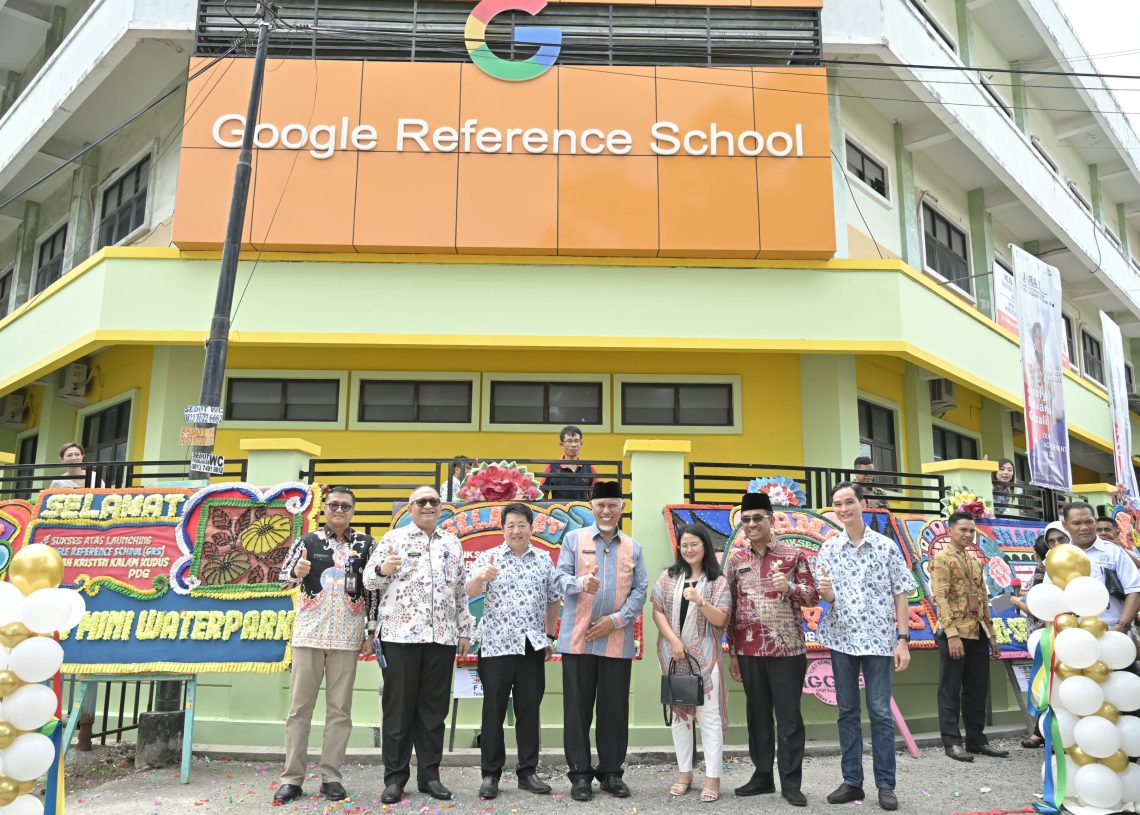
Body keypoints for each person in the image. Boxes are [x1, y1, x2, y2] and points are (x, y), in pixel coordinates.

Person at [364, 486, 475, 804]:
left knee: (433, 711)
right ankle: (395, 779)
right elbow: (369, 582)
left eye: (434, 502)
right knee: (398, 711)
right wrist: (383, 569)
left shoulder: (452, 543)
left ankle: (430, 776)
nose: (428, 506)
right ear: (411, 508)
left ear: (440, 508)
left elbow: (459, 592)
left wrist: (464, 631)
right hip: (401, 638)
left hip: (442, 638)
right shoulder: (394, 539)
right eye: (421, 501)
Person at [816, 481, 916, 812]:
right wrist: (827, 592)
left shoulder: (885, 546)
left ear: (862, 503)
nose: (843, 509)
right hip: (842, 640)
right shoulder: (829, 549)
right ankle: (851, 782)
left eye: (848, 502)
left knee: (880, 713)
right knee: (847, 712)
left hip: (878, 642)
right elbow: (827, 598)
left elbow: (901, 592)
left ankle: (886, 784)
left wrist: (903, 639)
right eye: (837, 504)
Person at [274, 488, 378, 804]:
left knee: (340, 712)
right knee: (298, 710)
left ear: (353, 510)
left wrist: (370, 632)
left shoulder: (366, 544)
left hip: (347, 639)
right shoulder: (307, 542)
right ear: (324, 509)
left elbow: (373, 589)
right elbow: (282, 579)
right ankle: (292, 778)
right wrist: (297, 571)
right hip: (308, 636)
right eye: (334, 505)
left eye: (346, 506)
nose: (339, 510)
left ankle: (331, 776)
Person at [553, 481, 648, 801]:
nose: (606, 511)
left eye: (612, 505)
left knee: (614, 710)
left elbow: (640, 590)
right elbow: (559, 579)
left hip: (615, 640)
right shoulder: (573, 540)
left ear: (622, 508)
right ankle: (580, 775)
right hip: (578, 640)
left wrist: (615, 621)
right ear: (592, 509)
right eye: (600, 506)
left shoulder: (633, 547)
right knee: (577, 711)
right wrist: (581, 583)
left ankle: (611, 773)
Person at [724, 492, 818, 807]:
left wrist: (790, 588)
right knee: (757, 716)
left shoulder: (793, 554)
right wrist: (733, 651)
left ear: (771, 519)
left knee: (789, 718)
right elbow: (730, 607)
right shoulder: (736, 560)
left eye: (756, 518)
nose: (750, 524)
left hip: (787, 651)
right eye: (745, 519)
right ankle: (762, 776)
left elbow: (812, 595)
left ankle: (791, 783)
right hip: (749, 651)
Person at [466, 503, 562, 799]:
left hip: (531, 646)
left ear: (531, 528)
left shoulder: (544, 559)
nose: (516, 530)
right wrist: (482, 577)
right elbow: (468, 592)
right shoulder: (489, 557)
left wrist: (548, 634)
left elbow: (553, 599)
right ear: (503, 528)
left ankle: (528, 772)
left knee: (529, 710)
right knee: (492, 711)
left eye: (521, 524)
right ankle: (490, 775)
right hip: (495, 646)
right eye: (510, 525)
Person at [652, 524, 731, 803]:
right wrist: (674, 641)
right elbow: (657, 611)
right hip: (673, 656)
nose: (689, 549)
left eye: (694, 544)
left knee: (709, 718)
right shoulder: (669, 576)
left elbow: (721, 619)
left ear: (705, 546)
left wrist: (700, 600)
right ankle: (684, 772)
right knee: (679, 717)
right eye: (684, 545)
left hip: (706, 658)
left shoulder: (718, 581)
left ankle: (713, 776)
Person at [929, 512, 1006, 763]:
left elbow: (983, 598)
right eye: (963, 530)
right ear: (950, 531)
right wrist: (951, 635)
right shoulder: (941, 558)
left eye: (971, 531)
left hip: (978, 632)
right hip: (954, 633)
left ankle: (977, 740)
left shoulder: (974, 560)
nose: (968, 535)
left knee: (977, 689)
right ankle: (951, 742)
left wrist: (992, 635)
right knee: (950, 689)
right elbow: (940, 598)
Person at [1057, 502, 1140, 636]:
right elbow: (1050, 595)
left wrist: (1121, 626)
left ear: (1095, 522)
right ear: (1065, 525)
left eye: (1089, 522)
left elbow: (1135, 590)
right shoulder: (1057, 556)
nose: (1084, 527)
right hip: (1071, 637)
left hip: (1112, 633)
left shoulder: (1114, 552)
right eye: (1077, 523)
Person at [541, 426, 598, 502]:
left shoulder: (590, 468)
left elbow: (594, 497)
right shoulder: (551, 466)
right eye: (569, 441)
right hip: (558, 512)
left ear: (581, 444)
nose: (573, 445)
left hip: (582, 512)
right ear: (562, 445)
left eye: (576, 441)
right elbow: (543, 494)